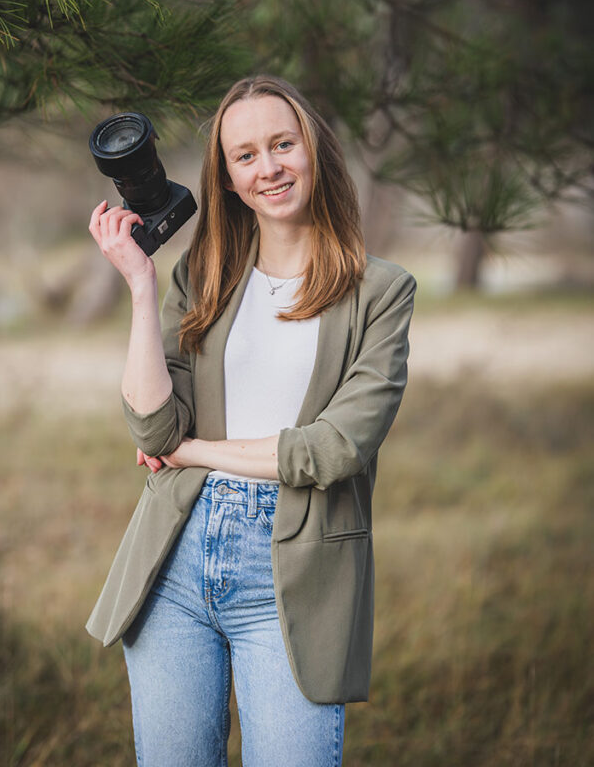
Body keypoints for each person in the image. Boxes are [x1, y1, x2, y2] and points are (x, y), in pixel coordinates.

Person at [86, 75, 416, 767]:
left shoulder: (380, 293)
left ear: (313, 152)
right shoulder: (202, 279)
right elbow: (152, 433)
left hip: (296, 569)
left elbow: (333, 450)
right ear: (228, 179)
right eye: (244, 156)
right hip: (176, 562)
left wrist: (197, 449)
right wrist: (142, 288)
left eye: (281, 145)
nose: (267, 168)